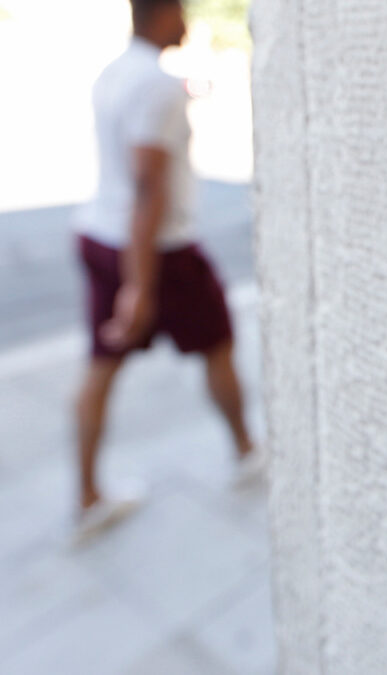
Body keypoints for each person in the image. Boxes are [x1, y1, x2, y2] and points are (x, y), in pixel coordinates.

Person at [72, 0, 261, 541]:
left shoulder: (118, 73)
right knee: (218, 344)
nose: (187, 23)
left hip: (98, 233)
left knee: (101, 366)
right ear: (165, 12)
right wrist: (140, 285)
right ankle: (246, 451)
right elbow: (147, 189)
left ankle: (86, 495)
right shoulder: (153, 86)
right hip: (158, 249)